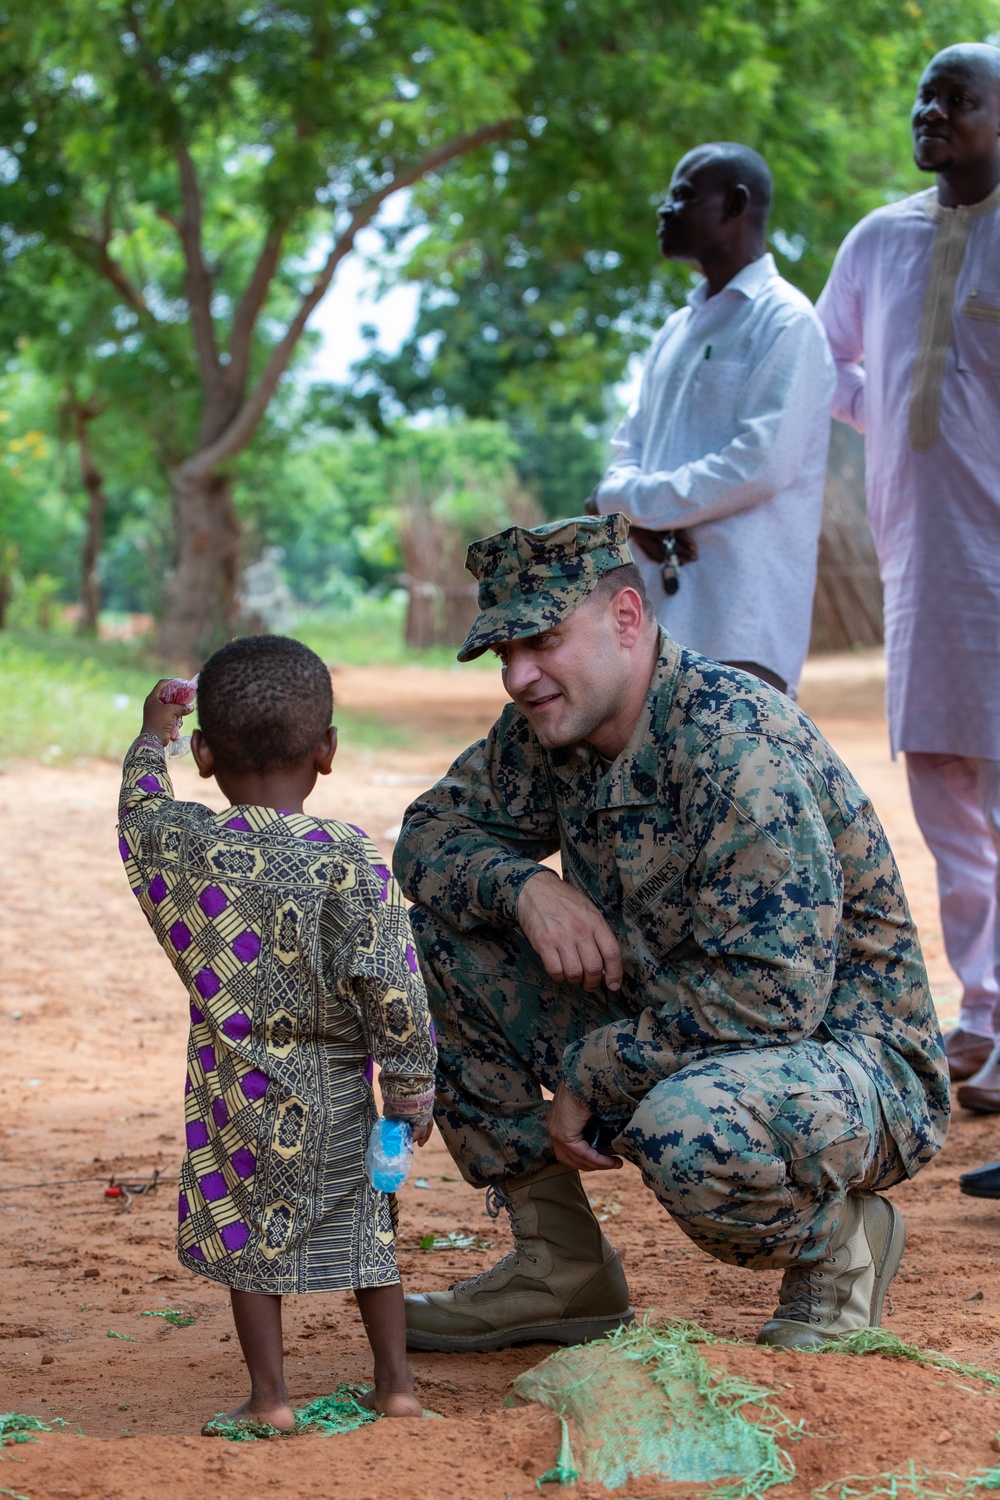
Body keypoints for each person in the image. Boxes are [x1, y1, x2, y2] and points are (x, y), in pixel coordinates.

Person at [392, 514, 948, 1353]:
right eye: (504, 654)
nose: (518, 676)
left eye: (541, 640)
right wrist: (527, 887)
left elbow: (767, 997)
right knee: (436, 942)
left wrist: (595, 1068)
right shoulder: (555, 729)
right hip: (683, 1024)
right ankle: (560, 1268)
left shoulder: (733, 747)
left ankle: (843, 1250)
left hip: (848, 1063)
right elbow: (428, 837)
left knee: (687, 1130)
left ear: (625, 617)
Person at [117, 635, 437, 1430]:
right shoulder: (353, 858)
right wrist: (408, 1083)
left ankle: (270, 1400)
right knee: (371, 1231)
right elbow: (392, 979)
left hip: (237, 1089)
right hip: (339, 1090)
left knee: (244, 1231)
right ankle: (395, 1387)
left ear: (205, 756)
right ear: (327, 752)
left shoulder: (187, 848)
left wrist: (152, 735)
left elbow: (139, 813)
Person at [817, 43, 1000, 1108]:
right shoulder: (879, 239)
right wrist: (881, 409)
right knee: (940, 791)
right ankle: (980, 1009)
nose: (931, 112)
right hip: (921, 567)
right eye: (925, 98)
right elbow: (826, 359)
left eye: (957, 98)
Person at [591, 142, 834, 697]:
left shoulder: (786, 322)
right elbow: (627, 447)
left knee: (733, 780)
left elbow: (760, 463)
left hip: (740, 619)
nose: (664, 210)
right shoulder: (676, 330)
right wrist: (635, 511)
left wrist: (634, 507)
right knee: (653, 781)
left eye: (681, 195)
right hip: (651, 618)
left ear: (735, 204)